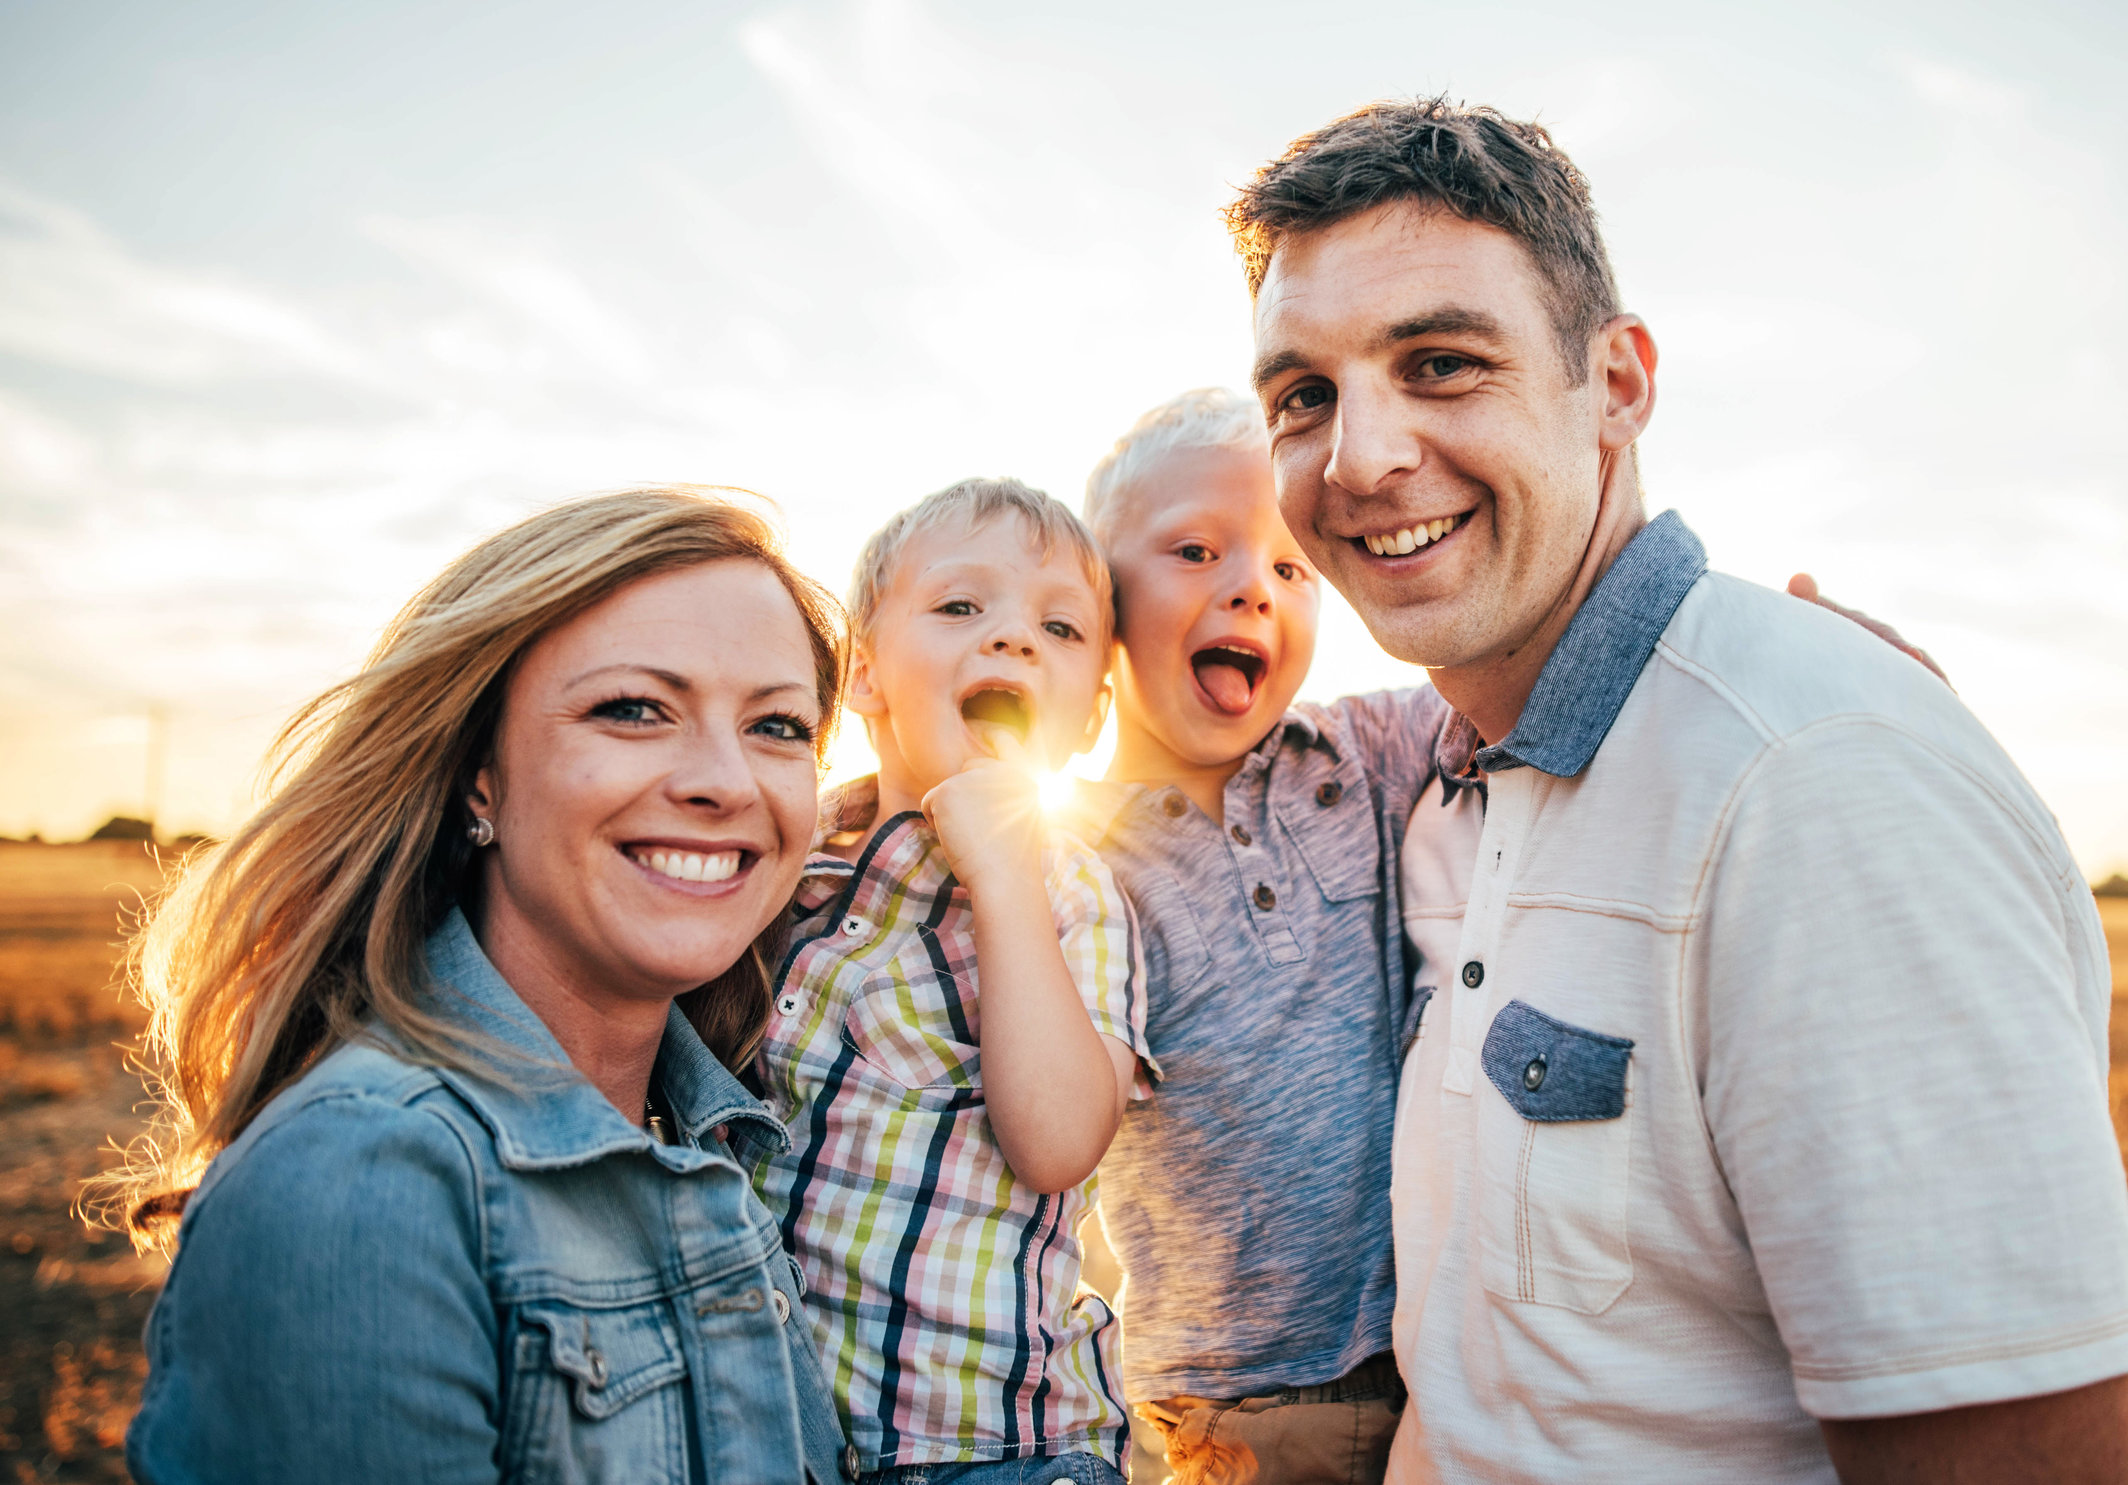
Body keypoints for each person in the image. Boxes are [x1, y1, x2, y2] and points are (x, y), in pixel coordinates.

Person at [1234, 99, 2128, 1484]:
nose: (1358, 459)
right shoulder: (1443, 794)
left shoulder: (1816, 787)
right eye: (1304, 394)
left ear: (1617, 383)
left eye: (1438, 362)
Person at [113, 486, 851, 1484]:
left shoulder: (736, 1138)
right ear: (479, 777)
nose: (726, 780)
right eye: (633, 709)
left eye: (777, 727)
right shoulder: (366, 1180)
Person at [1073, 391, 1442, 1485]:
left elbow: (1536, 662)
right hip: (1218, 1411)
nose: (1252, 584)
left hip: (1435, 1375)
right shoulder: (1074, 865)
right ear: (1098, 595)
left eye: (1294, 568)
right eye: (1196, 549)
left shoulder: (1365, 755)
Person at [752, 479, 1149, 1485]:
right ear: (864, 674)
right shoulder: (782, 868)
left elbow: (1058, 1139)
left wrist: (1003, 869)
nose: (1012, 638)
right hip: (766, 1433)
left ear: (1092, 713)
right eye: (961, 607)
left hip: (994, 1451)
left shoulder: (1074, 901)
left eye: (1058, 627)